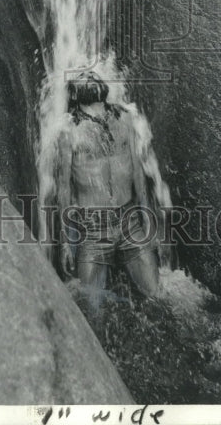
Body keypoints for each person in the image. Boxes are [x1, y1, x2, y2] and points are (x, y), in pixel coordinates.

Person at [55, 70, 160, 302]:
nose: (89, 75)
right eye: (82, 76)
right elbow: (63, 189)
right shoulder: (68, 131)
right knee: (90, 310)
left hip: (130, 222)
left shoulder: (125, 118)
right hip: (92, 229)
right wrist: (65, 243)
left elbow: (138, 174)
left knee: (157, 296)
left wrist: (148, 222)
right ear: (74, 92)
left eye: (92, 73)